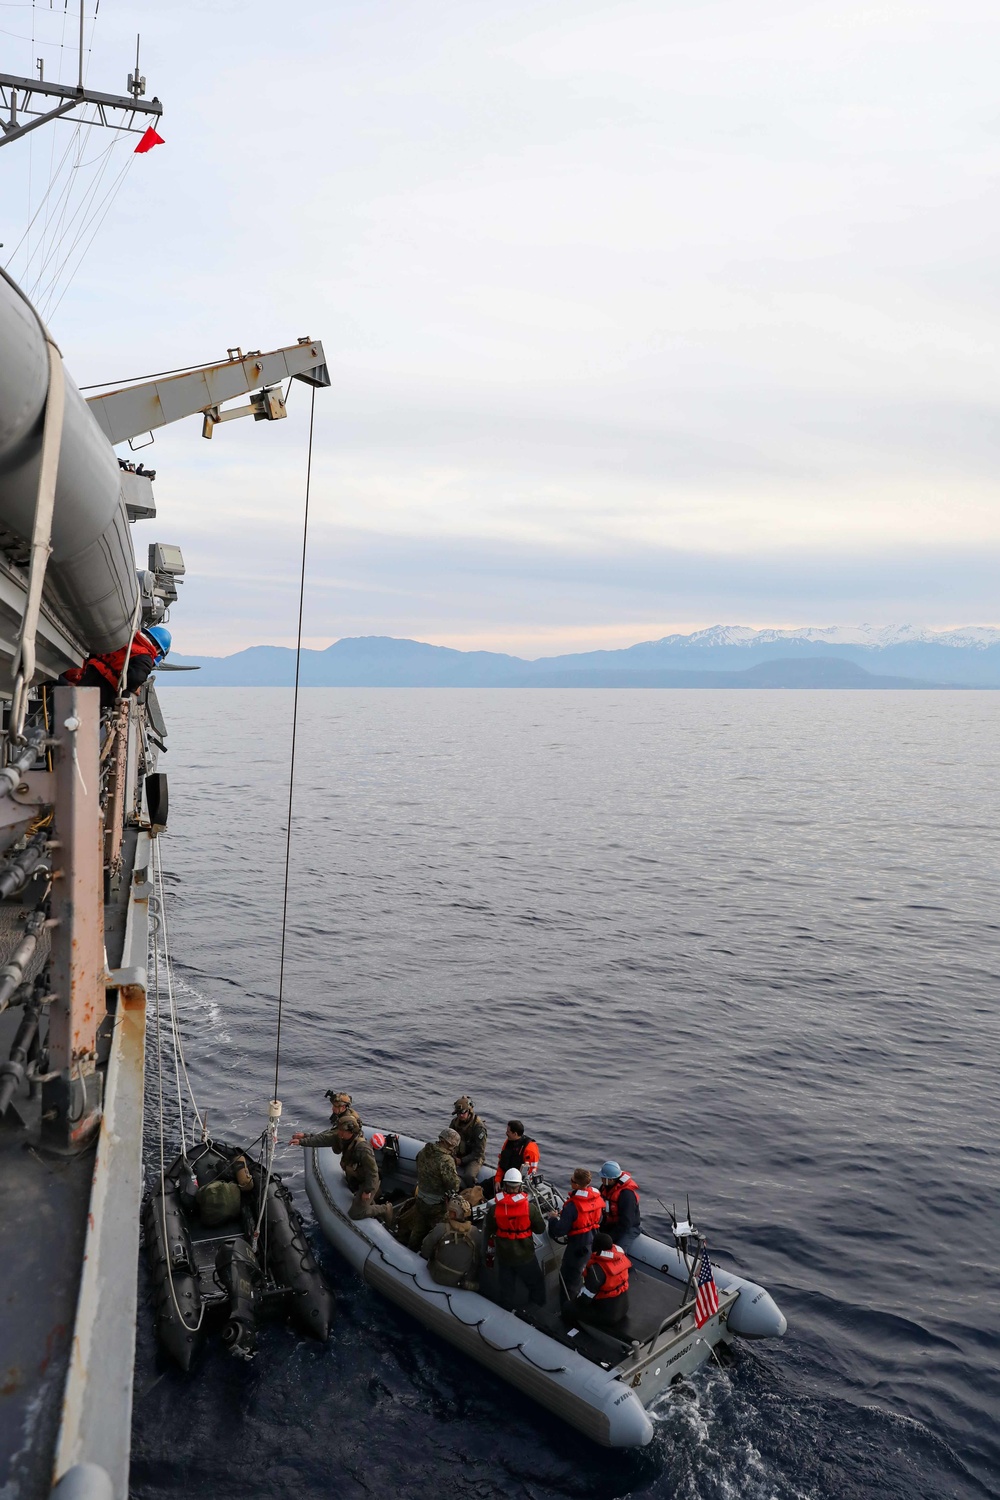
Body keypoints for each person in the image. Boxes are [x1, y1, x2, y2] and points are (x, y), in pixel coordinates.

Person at [63, 624, 171, 709]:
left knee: (71, 713)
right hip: (104, 690)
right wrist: (133, 688)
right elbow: (135, 678)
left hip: (89, 676)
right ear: (157, 647)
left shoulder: (125, 641)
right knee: (85, 723)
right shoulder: (145, 657)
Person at [483, 1167, 546, 1312]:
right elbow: (540, 1228)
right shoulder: (530, 1208)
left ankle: (506, 1311)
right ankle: (536, 1310)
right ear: (520, 1186)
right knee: (536, 1284)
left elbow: (490, 1229)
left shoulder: (494, 1210)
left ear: (505, 1185)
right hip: (525, 1256)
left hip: (505, 1256)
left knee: (506, 1287)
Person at [546, 1168, 604, 1302]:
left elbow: (559, 1230)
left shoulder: (572, 1206)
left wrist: (553, 1218)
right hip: (593, 1239)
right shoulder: (596, 1198)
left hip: (578, 1246)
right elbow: (599, 1219)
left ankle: (568, 1307)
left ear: (576, 1185)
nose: (571, 1182)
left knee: (568, 1277)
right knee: (582, 1269)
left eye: (572, 1180)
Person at [407, 1129, 462, 1249]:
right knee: (438, 1234)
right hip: (437, 1206)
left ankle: (410, 1249)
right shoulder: (446, 1160)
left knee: (417, 1230)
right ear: (450, 1144)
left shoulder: (424, 1151)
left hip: (421, 1198)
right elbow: (454, 1185)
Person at [566, 1232, 631, 1331]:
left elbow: (585, 1299)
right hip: (624, 1307)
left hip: (607, 1315)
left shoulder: (596, 1270)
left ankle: (572, 1333)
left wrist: (574, 1302)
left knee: (568, 1307)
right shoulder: (621, 1259)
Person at [334, 1117, 392, 1225]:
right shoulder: (349, 1141)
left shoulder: (362, 1148)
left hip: (369, 1181)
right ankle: (371, 1203)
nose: (340, 1133)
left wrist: (367, 1191)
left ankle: (384, 1209)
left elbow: (373, 1172)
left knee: (355, 1213)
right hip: (361, 1177)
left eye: (342, 1131)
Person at [420, 1197, 482, 1289]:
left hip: (438, 1276)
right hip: (461, 1280)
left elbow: (425, 1251)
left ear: (453, 1214)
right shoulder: (475, 1233)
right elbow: (477, 1260)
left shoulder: (441, 1229)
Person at [289, 1090, 362, 1154]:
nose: (332, 1109)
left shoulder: (347, 1121)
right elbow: (330, 1133)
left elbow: (328, 1138)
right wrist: (305, 1136)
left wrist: (302, 1141)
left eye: (336, 1107)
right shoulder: (345, 1113)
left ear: (343, 1107)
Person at [599, 1161, 641, 1254]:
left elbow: (626, 1222)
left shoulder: (626, 1195)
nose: (601, 1179)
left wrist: (610, 1237)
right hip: (610, 1224)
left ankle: (625, 1267)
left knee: (617, 1252)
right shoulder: (604, 1187)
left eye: (603, 1178)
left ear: (610, 1179)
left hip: (627, 1228)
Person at [449, 1095, 488, 1187]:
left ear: (469, 1111)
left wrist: (461, 1161)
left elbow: (479, 1152)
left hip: (473, 1157)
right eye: (459, 1113)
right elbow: (449, 1140)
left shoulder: (478, 1127)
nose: (461, 1115)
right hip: (457, 1154)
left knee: (468, 1176)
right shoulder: (455, 1123)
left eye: (463, 1113)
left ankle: (471, 1193)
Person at [493, 1120, 540, 1188]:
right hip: (506, 1178)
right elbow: (502, 1163)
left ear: (515, 1134)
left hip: (517, 1185)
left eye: (508, 1132)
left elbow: (531, 1172)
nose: (506, 1133)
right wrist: (497, 1180)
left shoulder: (530, 1148)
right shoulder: (508, 1142)